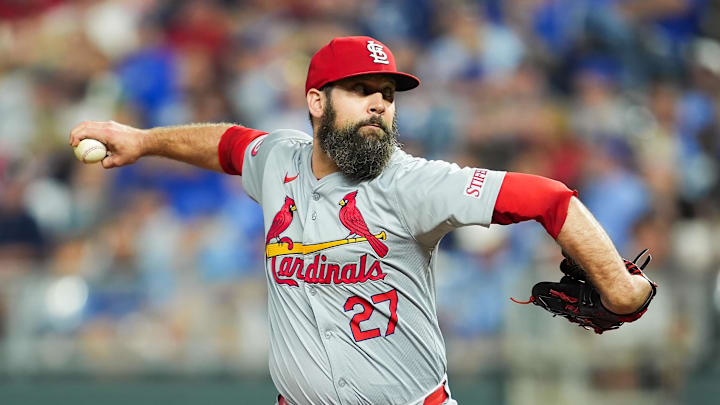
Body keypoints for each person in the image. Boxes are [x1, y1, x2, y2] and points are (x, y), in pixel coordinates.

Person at [69, 36, 654, 405]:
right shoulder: (279, 159)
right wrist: (142, 140)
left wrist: (623, 291)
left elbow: (550, 198)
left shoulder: (412, 183)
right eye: (360, 89)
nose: (379, 102)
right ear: (317, 101)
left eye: (388, 94)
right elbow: (224, 143)